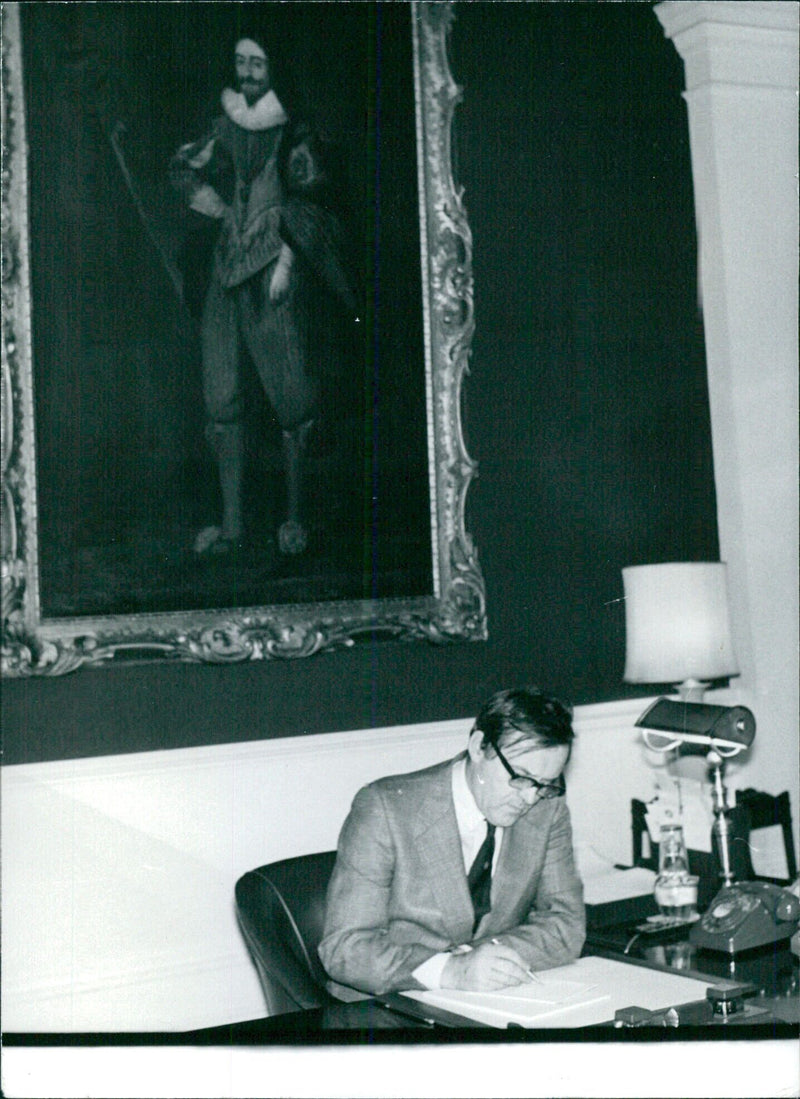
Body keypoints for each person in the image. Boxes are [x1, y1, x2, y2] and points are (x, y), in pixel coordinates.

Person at [170, 35, 354, 558]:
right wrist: (206, 199)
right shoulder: (223, 123)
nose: (248, 72)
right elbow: (185, 171)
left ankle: (294, 521)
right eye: (241, 62)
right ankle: (231, 529)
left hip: (274, 267)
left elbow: (313, 198)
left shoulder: (295, 129)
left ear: (274, 67)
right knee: (221, 397)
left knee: (290, 396)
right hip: (227, 267)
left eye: (257, 62)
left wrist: (288, 265)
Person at [318, 687, 585, 999]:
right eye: (521, 777)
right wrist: (451, 970)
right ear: (478, 746)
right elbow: (345, 949)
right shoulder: (386, 807)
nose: (529, 797)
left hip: (490, 999)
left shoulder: (547, 808)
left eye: (545, 784)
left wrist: (482, 962)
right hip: (387, 1003)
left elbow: (566, 925)